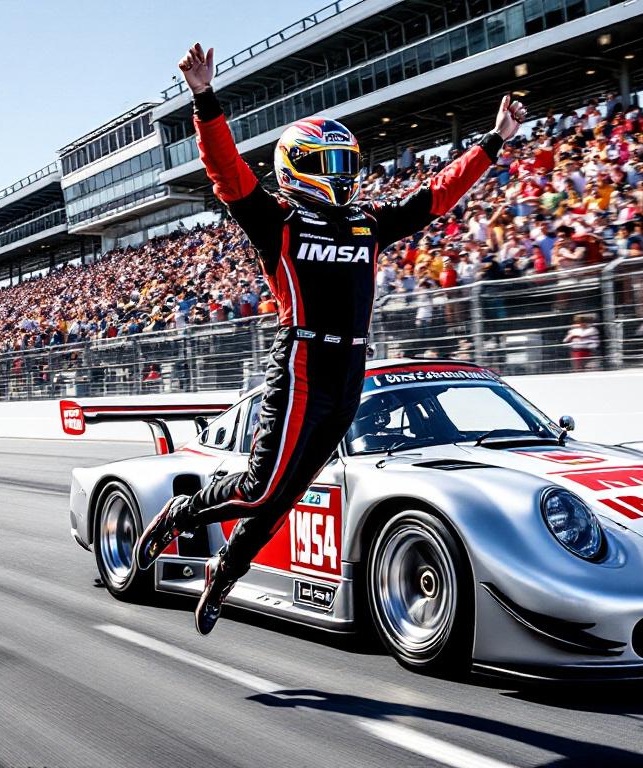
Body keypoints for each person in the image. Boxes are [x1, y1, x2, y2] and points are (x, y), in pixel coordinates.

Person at [135, 42, 526, 635]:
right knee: (258, 487)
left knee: (280, 498)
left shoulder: (369, 220)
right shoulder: (278, 219)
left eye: (346, 165)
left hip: (349, 374)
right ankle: (180, 512)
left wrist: (493, 140)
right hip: (300, 365)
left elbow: (437, 196)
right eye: (328, 165)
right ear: (296, 168)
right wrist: (205, 97)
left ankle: (225, 574)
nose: (341, 177)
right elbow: (225, 171)